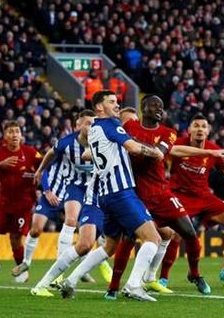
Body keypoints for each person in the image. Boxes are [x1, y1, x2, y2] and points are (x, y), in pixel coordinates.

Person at [105, 97, 224, 299]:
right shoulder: (129, 126)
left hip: (161, 195)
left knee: (190, 234)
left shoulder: (168, 133)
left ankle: (194, 274)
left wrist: (135, 146)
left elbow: (158, 154)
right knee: (128, 239)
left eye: (162, 106)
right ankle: (113, 287)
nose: (160, 109)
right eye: (154, 105)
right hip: (136, 197)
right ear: (143, 108)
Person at [56, 90, 165, 301]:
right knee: (153, 238)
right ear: (99, 106)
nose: (117, 105)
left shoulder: (94, 128)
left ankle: (71, 279)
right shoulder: (111, 125)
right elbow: (133, 148)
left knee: (109, 246)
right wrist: (155, 152)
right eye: (112, 101)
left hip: (104, 196)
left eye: (117, 101)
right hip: (121, 192)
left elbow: (90, 154)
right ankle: (134, 285)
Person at [13, 110, 111, 284]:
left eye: (93, 123)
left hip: (94, 188)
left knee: (93, 232)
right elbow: (50, 154)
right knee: (69, 221)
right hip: (73, 186)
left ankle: (92, 263)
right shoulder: (66, 143)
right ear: (78, 126)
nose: (91, 126)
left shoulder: (103, 140)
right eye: (87, 123)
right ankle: (55, 272)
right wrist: (41, 170)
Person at [160, 114, 224, 288]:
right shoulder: (179, 144)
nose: (200, 129)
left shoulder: (213, 149)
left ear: (208, 131)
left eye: (204, 126)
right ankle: (163, 278)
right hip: (180, 196)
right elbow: (167, 154)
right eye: (196, 126)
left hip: (203, 197)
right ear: (189, 130)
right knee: (175, 234)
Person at [0, 120, 42, 282]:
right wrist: (0, 165)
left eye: (17, 131)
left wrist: (41, 178)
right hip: (3, 204)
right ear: (4, 135)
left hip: (23, 204)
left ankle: (21, 269)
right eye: (10, 132)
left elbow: (45, 164)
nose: (14, 135)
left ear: (21, 135)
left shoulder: (30, 152)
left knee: (15, 240)